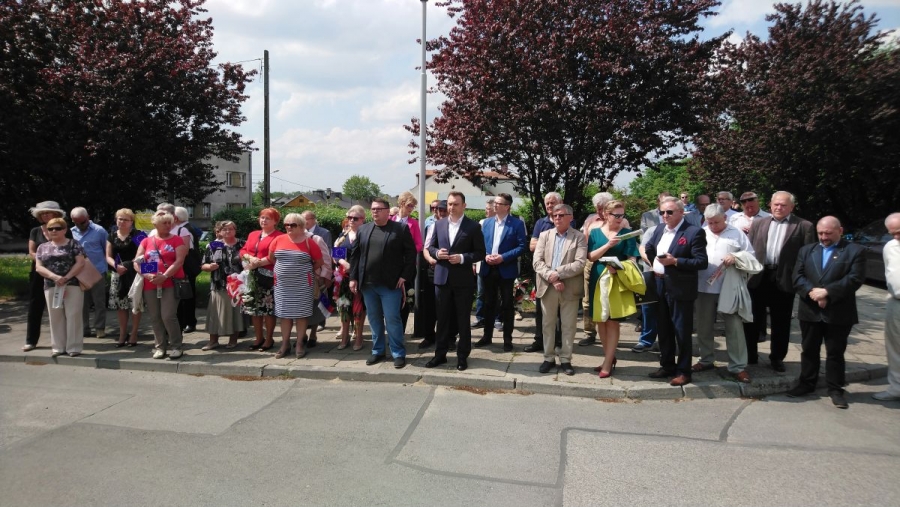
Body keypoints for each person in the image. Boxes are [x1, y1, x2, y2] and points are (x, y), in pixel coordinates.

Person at [787, 217, 866, 409]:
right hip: (810, 309)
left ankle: (835, 389)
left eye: (828, 233)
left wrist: (828, 292)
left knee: (835, 353)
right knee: (809, 350)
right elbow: (797, 276)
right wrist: (813, 293)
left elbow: (855, 279)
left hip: (838, 311)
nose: (823, 237)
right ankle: (807, 383)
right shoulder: (807, 250)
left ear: (840, 230)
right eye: (820, 233)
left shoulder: (855, 251)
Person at [745, 191, 816, 371]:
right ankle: (750, 355)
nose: (779, 207)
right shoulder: (758, 223)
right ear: (770, 204)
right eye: (776, 204)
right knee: (752, 319)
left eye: (783, 205)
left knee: (781, 322)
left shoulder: (803, 226)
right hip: (758, 277)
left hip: (784, 279)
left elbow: (808, 256)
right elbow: (749, 249)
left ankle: (777, 358)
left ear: (791, 207)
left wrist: (802, 281)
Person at [644, 196, 708, 386]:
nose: (665, 215)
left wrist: (676, 262)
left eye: (669, 212)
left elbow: (701, 262)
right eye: (662, 212)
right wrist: (656, 265)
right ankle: (667, 366)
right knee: (663, 328)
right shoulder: (659, 229)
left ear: (681, 212)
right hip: (659, 284)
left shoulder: (693, 232)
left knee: (682, 331)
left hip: (680, 287)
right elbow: (649, 248)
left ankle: (684, 371)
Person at [693, 204, 759, 383]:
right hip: (703, 287)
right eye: (710, 222)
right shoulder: (701, 233)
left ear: (725, 218)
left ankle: (738, 366)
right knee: (703, 326)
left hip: (729, 288)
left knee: (734, 327)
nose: (713, 226)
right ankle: (706, 359)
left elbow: (751, 255)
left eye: (716, 222)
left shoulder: (736, 233)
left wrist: (736, 257)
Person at [349, 198, 417, 368]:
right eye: (373, 209)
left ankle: (398, 353)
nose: (375, 212)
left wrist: (405, 276)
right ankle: (378, 351)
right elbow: (355, 255)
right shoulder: (363, 229)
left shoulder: (400, 229)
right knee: (374, 319)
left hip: (390, 284)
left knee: (392, 319)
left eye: (379, 209)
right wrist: (353, 278)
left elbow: (411, 254)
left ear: (387, 211)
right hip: (368, 284)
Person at [424, 192, 486, 371]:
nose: (451, 207)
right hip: (442, 278)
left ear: (464, 206)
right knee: (442, 319)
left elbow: (480, 252)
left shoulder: (473, 227)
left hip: (462, 280)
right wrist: (437, 253)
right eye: (450, 204)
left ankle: (462, 356)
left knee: (462, 320)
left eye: (455, 204)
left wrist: (462, 258)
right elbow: (430, 247)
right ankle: (440, 355)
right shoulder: (438, 224)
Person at [587, 200, 641, 378]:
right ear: (606, 214)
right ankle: (608, 357)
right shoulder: (595, 233)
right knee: (600, 320)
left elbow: (632, 259)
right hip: (597, 279)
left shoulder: (627, 234)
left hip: (617, 279)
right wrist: (608, 245)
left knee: (612, 321)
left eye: (622, 215)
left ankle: (608, 362)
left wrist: (619, 267)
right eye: (616, 215)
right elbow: (591, 256)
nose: (619, 218)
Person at [533, 204, 587, 376]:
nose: (557, 218)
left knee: (568, 325)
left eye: (561, 215)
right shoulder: (544, 235)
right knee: (547, 324)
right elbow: (537, 262)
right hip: (548, 286)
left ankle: (565, 359)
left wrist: (557, 273)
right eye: (555, 215)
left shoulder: (579, 237)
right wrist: (551, 276)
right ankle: (548, 358)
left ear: (570, 217)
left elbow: (580, 263)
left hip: (569, 288)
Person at [474, 192, 527, 352]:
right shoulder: (486, 223)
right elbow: (479, 244)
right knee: (488, 304)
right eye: (494, 203)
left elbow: (522, 246)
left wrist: (503, 257)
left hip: (506, 269)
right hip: (488, 267)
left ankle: (507, 340)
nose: (495, 205)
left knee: (507, 305)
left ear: (507, 207)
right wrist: (485, 256)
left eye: (498, 203)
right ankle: (487, 336)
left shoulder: (516, 224)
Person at [268, 213, 324, 359]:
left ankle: (299, 344)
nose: (289, 227)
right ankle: (285, 344)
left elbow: (319, 262)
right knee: (284, 315)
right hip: (282, 285)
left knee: (301, 315)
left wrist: (304, 271)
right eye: (286, 224)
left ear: (301, 226)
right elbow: (271, 258)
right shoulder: (278, 240)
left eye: (292, 225)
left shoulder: (309, 242)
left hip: (302, 285)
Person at [134, 211, 188, 360]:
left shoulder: (177, 240)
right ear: (155, 224)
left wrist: (164, 276)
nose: (168, 225)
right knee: (155, 317)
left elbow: (179, 261)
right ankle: (160, 347)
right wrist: (148, 275)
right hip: (151, 283)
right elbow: (137, 262)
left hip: (171, 282)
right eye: (164, 222)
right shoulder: (147, 241)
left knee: (168, 315)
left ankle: (176, 346)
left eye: (170, 222)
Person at [34, 217, 86, 357]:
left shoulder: (74, 244)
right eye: (50, 229)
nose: (54, 231)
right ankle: (58, 347)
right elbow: (39, 267)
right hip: (51, 285)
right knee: (55, 316)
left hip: (72, 284)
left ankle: (74, 347)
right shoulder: (42, 247)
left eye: (57, 228)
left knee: (73, 315)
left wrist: (66, 278)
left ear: (64, 230)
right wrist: (55, 277)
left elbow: (80, 263)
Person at [23, 201, 70, 352]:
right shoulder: (35, 231)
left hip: (61, 273)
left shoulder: (64, 228)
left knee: (63, 306)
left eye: (48, 212)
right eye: (42, 213)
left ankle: (65, 341)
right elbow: (31, 251)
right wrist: (43, 263)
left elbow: (70, 248)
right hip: (39, 272)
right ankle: (31, 340)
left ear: (56, 214)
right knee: (35, 305)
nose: (45, 215)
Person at [524, 192, 565, 352]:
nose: (549, 205)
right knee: (541, 308)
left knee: (560, 309)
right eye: (547, 203)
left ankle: (559, 341)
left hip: (561, 272)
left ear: (560, 203)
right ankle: (539, 340)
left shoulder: (568, 220)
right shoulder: (541, 223)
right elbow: (532, 247)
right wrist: (550, 243)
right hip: (542, 272)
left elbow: (567, 245)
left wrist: (542, 242)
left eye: (552, 202)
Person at [240, 208, 283, 351]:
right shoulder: (253, 234)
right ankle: (258, 338)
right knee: (254, 309)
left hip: (268, 277)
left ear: (275, 221)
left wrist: (259, 263)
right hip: (251, 275)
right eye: (262, 217)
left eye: (268, 218)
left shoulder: (279, 236)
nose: (263, 220)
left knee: (268, 309)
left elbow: (276, 256)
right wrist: (250, 258)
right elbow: (243, 250)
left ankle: (269, 339)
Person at [578, 192, 616, 346]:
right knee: (588, 300)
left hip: (613, 265)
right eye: (597, 208)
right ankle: (589, 332)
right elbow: (584, 241)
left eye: (602, 208)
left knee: (610, 300)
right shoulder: (590, 220)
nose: (599, 212)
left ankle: (610, 334)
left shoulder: (620, 220)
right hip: (591, 263)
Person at [200, 221, 245, 350]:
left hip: (237, 285)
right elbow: (203, 264)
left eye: (231, 229)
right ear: (219, 232)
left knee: (235, 313)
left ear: (235, 230)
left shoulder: (242, 244)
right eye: (224, 229)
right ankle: (213, 341)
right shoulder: (213, 245)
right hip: (218, 283)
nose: (228, 231)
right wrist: (210, 266)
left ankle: (233, 340)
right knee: (215, 313)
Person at [106, 208, 144, 347]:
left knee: (135, 303)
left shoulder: (138, 235)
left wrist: (131, 264)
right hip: (118, 273)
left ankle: (134, 333)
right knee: (120, 305)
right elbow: (108, 256)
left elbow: (144, 253)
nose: (122, 221)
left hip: (134, 273)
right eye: (119, 219)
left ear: (131, 221)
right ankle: (122, 334)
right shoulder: (111, 236)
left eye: (125, 219)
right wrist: (116, 266)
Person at [70, 207, 109, 339]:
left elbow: (107, 250)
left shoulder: (99, 230)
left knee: (99, 302)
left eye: (83, 222)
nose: (80, 225)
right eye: (76, 223)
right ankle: (84, 328)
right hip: (79, 273)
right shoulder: (71, 232)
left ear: (88, 217)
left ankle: (100, 328)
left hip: (98, 270)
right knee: (81, 303)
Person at [874, 212, 900, 402]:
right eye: (893, 233)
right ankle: (896, 387)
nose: (896, 236)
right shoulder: (890, 246)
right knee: (894, 347)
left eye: (899, 232)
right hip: (895, 301)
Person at [417, 200, 450, 349]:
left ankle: (449, 337)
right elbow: (426, 247)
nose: (441, 213)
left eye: (444, 210)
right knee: (429, 305)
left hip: (448, 270)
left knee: (447, 305)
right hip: (433, 269)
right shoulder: (432, 226)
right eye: (439, 210)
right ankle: (429, 336)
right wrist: (431, 259)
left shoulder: (455, 227)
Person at [334, 206, 367, 351]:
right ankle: (344, 337)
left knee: (358, 308)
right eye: (349, 218)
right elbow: (336, 255)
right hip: (344, 278)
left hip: (360, 277)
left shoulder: (366, 234)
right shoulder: (343, 235)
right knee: (344, 307)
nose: (351, 220)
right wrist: (343, 263)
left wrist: (354, 267)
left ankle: (359, 337)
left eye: (355, 218)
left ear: (363, 219)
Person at [391, 191, 424, 333]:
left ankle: (401, 332)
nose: (411, 209)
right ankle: (391, 332)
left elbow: (419, 244)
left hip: (407, 266)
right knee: (390, 299)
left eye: (413, 206)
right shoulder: (390, 220)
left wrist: (407, 251)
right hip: (390, 266)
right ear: (401, 204)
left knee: (406, 299)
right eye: (409, 205)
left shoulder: (413, 223)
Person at [301, 212, 334, 347]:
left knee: (317, 306)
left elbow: (327, 257)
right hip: (300, 280)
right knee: (301, 308)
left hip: (316, 278)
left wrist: (326, 277)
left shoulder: (320, 235)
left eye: (306, 219)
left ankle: (313, 333)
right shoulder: (292, 237)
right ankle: (302, 334)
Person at [173, 206, 201, 334]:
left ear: (176, 218)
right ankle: (186, 321)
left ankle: (189, 321)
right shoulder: (188, 227)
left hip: (186, 267)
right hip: (186, 266)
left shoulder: (185, 229)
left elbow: (185, 250)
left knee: (187, 295)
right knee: (185, 295)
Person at [471, 200, 496, 329]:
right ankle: (480, 317)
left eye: (488, 209)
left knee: (496, 293)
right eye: (485, 208)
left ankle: (496, 318)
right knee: (481, 292)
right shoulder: (482, 223)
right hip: (482, 262)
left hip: (497, 263)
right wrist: (474, 263)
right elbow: (477, 244)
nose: (486, 211)